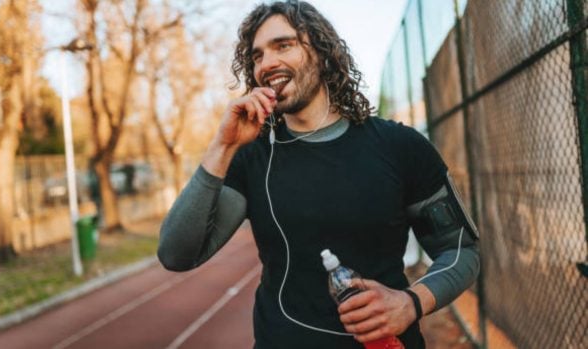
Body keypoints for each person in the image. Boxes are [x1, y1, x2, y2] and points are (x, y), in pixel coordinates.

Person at [157, 1, 480, 348]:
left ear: (323, 53)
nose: (267, 64)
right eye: (257, 56)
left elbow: (462, 250)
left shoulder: (400, 146)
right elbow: (176, 254)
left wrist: (412, 302)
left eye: (284, 45)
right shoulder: (251, 158)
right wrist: (222, 147)